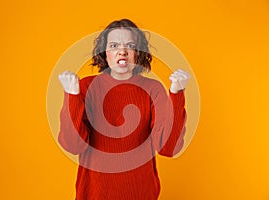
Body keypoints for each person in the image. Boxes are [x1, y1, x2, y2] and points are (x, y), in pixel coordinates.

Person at [58, 19, 190, 200]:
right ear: (104, 53)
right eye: (114, 45)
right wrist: (72, 95)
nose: (122, 51)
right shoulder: (86, 87)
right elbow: (73, 145)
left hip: (140, 194)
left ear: (138, 52)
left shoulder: (153, 89)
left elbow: (168, 148)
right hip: (94, 194)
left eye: (129, 45)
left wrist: (176, 93)